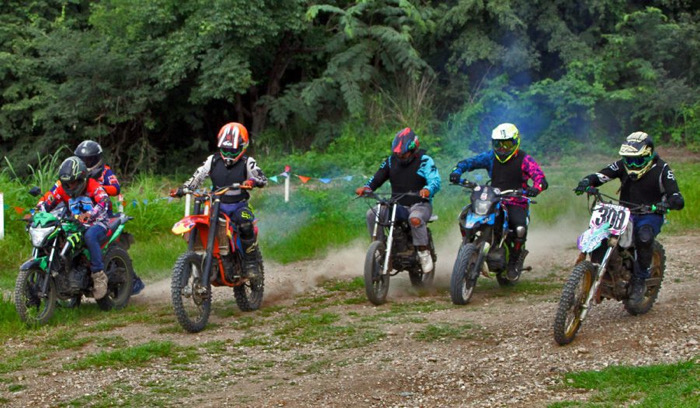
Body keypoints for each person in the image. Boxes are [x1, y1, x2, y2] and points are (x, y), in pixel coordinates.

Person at [574, 131, 684, 304]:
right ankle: (598, 269)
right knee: (601, 232)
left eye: (637, 160)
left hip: (650, 213)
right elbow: (603, 175)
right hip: (624, 213)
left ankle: (640, 279)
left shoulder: (662, 169)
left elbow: (677, 197)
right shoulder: (622, 165)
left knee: (644, 237)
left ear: (648, 155)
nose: (632, 163)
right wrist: (587, 182)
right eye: (628, 159)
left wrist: (668, 204)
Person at [449, 123, 548, 280]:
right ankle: (466, 247)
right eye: (498, 144)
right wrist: (457, 170)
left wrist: (536, 188)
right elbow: (470, 162)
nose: (502, 148)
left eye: (506, 144)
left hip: (516, 200)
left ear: (515, 142)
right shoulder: (490, 157)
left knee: (519, 228)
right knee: (467, 214)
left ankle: (514, 262)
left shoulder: (525, 159)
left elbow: (540, 177)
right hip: (492, 199)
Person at [177, 122, 267, 276]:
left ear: (243, 147)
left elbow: (263, 179)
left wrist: (252, 182)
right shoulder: (212, 160)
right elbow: (197, 177)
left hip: (240, 206)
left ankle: (251, 263)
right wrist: (184, 188)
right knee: (203, 224)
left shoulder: (248, 163)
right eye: (226, 150)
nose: (229, 154)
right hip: (218, 206)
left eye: (233, 151)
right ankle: (208, 260)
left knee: (245, 223)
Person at [355, 127, 441, 273]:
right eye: (398, 154)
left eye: (403, 154)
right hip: (396, 205)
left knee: (415, 219)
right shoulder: (390, 161)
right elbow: (377, 178)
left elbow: (435, 180)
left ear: (413, 149)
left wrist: (428, 190)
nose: (400, 157)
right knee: (372, 214)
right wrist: (367, 187)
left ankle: (423, 251)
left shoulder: (424, 160)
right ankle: (380, 248)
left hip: (419, 204)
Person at [73, 140, 145, 296]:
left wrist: (97, 187)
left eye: (89, 160)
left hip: (102, 215)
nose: (86, 163)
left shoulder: (105, 172)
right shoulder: (76, 174)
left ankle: (104, 276)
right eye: (83, 160)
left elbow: (116, 188)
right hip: (79, 215)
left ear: (97, 159)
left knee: (94, 240)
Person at [35, 156, 110, 299]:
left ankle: (99, 275)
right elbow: (48, 199)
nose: (70, 187)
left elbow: (104, 201)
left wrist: (90, 214)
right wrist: (38, 211)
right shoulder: (61, 188)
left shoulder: (92, 185)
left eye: (73, 183)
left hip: (97, 223)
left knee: (90, 236)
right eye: (67, 184)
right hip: (73, 223)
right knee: (56, 236)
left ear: (82, 178)